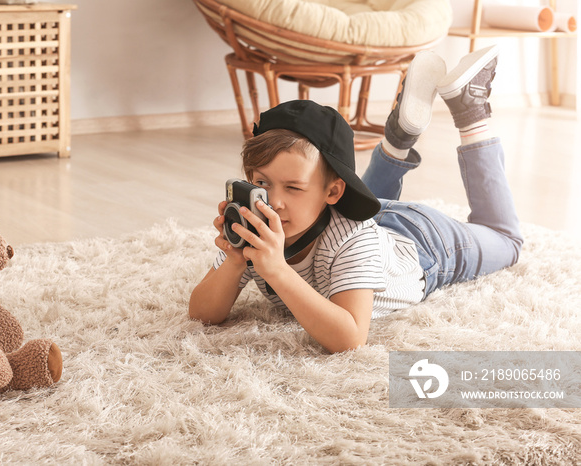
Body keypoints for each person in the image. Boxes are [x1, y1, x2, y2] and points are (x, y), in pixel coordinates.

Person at [188, 45, 523, 353]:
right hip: (362, 215)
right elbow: (201, 314)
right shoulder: (257, 229)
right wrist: (234, 261)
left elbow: (349, 337)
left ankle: (472, 112)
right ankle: (397, 139)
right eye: (262, 182)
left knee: (507, 240)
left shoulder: (349, 240)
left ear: (334, 193)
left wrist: (277, 271)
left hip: (427, 246)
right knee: (354, 204)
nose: (274, 202)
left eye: (293, 187)